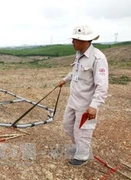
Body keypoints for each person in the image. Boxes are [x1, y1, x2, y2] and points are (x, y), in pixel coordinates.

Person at [58, 25, 109, 167]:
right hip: (73, 100)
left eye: (75, 39)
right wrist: (65, 80)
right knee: (68, 126)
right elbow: (75, 72)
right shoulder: (80, 54)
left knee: (83, 131)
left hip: (86, 105)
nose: (72, 42)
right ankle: (80, 147)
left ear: (85, 40)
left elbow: (102, 85)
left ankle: (82, 156)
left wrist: (94, 106)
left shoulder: (98, 58)